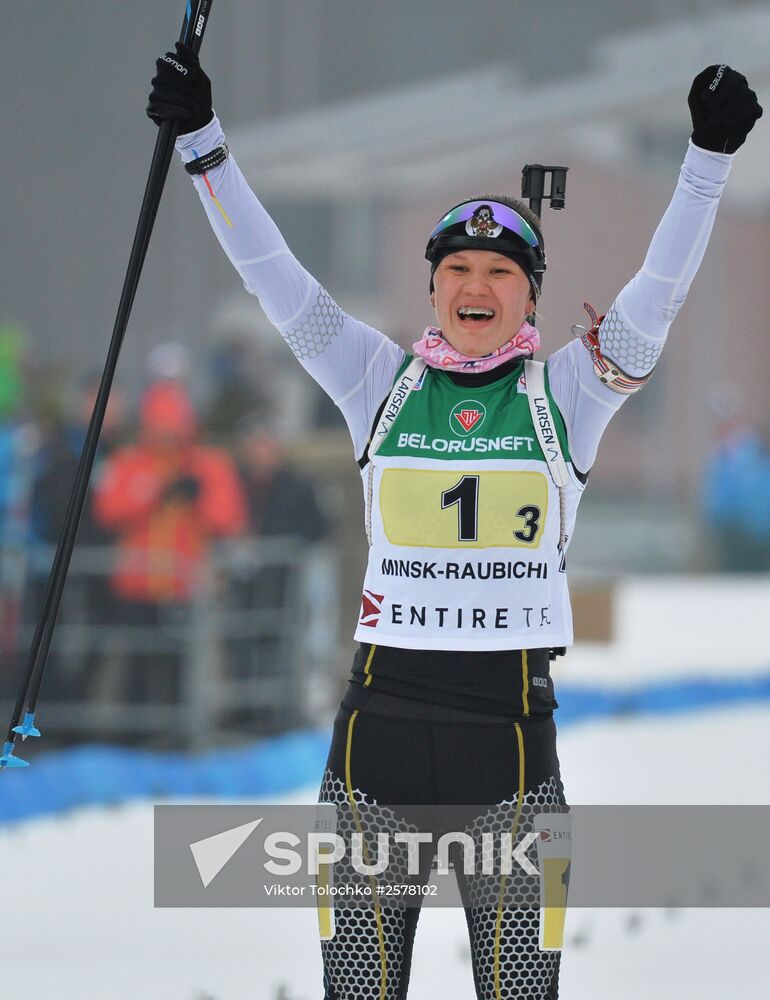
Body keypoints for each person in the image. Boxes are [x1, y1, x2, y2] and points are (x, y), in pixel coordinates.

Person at [147, 50, 761, 999]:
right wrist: (205, 146)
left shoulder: (570, 392)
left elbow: (659, 296)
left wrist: (707, 163)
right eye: (458, 268)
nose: (478, 286)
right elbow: (274, 276)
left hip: (513, 753)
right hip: (375, 748)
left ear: (531, 294)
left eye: (502, 271)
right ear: (433, 287)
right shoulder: (373, 382)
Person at [93, 380, 246, 709]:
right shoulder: (129, 462)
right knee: (135, 668)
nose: (167, 436)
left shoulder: (207, 467)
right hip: (135, 588)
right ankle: (136, 740)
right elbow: (107, 510)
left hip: (185, 588)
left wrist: (196, 499)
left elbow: (228, 519)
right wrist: (157, 494)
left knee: (182, 671)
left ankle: (174, 742)